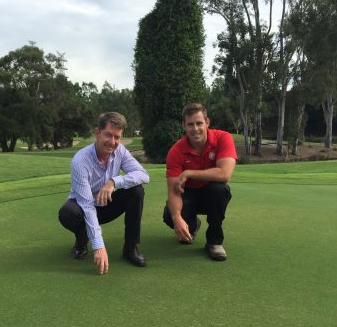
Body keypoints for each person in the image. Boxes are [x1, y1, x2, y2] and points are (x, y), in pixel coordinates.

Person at [58, 112, 150, 275]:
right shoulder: (80, 161)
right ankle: (81, 241)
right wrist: (98, 246)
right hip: (82, 208)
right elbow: (87, 205)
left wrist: (114, 182)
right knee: (67, 213)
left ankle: (131, 248)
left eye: (117, 137)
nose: (113, 142)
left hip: (107, 204)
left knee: (136, 191)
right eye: (108, 135)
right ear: (97, 133)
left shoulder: (120, 151)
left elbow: (143, 175)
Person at [163, 103, 237, 261]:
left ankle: (214, 242)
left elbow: (224, 174)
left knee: (219, 190)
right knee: (169, 215)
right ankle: (192, 225)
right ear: (184, 125)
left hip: (212, 193)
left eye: (199, 123)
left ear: (207, 122)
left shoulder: (223, 138)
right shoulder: (175, 151)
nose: (195, 128)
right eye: (190, 124)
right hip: (188, 194)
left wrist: (189, 173)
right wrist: (177, 218)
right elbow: (174, 191)